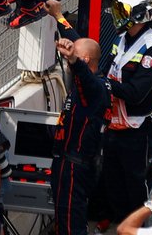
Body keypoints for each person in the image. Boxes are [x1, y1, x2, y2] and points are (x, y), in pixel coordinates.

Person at [49, 0, 152, 223]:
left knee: (136, 187)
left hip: (137, 133)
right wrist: (60, 18)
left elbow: (135, 93)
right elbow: (88, 54)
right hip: (113, 128)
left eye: (122, 10)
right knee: (112, 182)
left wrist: (102, 83)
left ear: (139, 14)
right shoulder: (122, 39)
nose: (116, 14)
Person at [51, 36, 110, 235]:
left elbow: (86, 80)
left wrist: (74, 62)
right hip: (67, 165)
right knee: (64, 223)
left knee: (71, 226)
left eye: (74, 55)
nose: (68, 59)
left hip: (74, 169)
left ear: (83, 60)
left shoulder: (95, 89)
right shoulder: (83, 85)